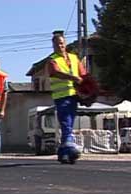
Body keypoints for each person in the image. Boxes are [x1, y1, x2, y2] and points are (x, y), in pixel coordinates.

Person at [48, 31, 86, 164]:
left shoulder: (74, 58)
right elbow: (55, 72)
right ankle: (70, 148)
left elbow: (83, 74)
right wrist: (73, 77)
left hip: (74, 96)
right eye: (57, 44)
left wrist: (89, 87)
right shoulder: (52, 60)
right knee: (66, 123)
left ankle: (63, 153)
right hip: (61, 96)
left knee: (69, 123)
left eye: (62, 43)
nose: (60, 46)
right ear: (53, 45)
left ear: (65, 44)